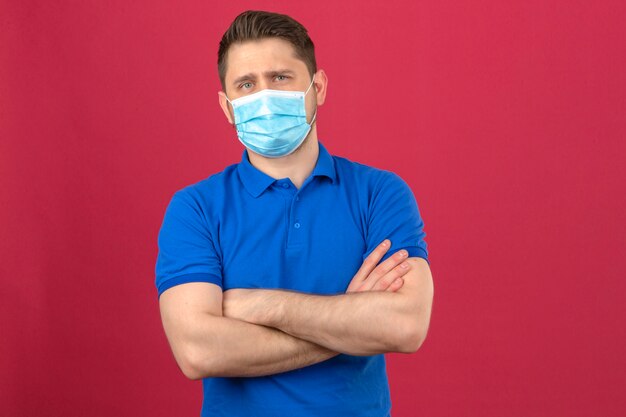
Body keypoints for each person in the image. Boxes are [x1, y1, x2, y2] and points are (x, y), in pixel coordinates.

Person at [155, 10, 434, 417]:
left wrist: (263, 306)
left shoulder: (380, 194)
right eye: (246, 85)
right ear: (227, 106)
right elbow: (198, 351)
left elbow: (406, 326)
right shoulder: (195, 208)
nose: (264, 96)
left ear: (317, 86)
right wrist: (349, 320)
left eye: (281, 78)